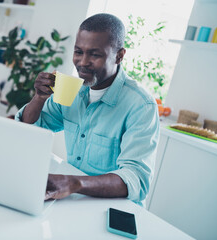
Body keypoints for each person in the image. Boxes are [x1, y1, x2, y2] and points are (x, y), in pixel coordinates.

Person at [15, 13, 159, 205]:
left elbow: (136, 180)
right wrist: (39, 99)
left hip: (114, 207)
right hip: (72, 199)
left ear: (119, 56)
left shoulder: (141, 106)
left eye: (95, 54)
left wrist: (75, 183)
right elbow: (30, 131)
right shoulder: (72, 90)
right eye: (78, 52)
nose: (82, 62)